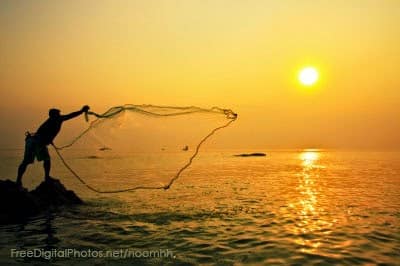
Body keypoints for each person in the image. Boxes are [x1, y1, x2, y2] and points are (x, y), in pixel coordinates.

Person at [16, 105, 90, 187]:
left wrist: (49, 139)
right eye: (58, 113)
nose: (60, 115)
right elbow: (70, 115)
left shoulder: (51, 120)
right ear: (54, 115)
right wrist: (81, 111)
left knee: (29, 161)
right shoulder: (57, 119)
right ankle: (45, 178)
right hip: (37, 142)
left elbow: (45, 131)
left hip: (33, 141)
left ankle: (19, 180)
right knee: (44, 160)